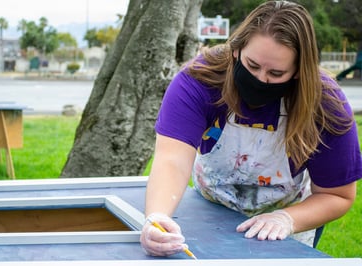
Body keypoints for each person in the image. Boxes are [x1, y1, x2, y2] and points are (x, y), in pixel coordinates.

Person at [140, 0, 362, 257]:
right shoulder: (199, 81)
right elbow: (172, 159)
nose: (260, 80)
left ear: (300, 71)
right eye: (252, 66)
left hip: (288, 220)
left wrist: (285, 219)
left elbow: (338, 195)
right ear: (236, 50)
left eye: (276, 73)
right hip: (211, 209)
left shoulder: (326, 104)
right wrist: (156, 218)